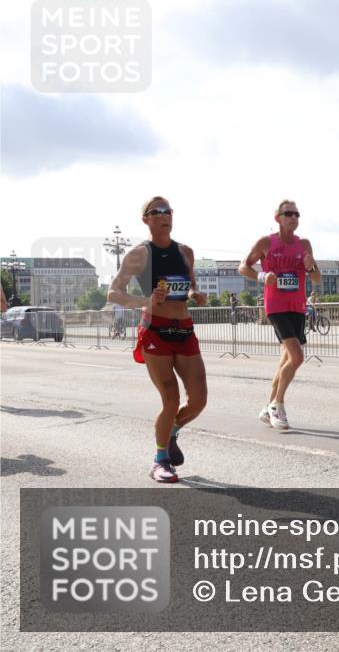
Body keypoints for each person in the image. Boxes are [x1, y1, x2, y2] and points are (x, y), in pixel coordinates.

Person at [108, 196, 208, 483]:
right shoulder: (139, 254)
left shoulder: (186, 252)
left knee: (199, 400)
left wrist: (195, 295)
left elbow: (189, 286)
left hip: (184, 329)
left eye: (168, 210)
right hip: (156, 332)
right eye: (157, 211)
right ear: (146, 219)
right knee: (171, 398)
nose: (165, 215)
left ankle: (171, 431)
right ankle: (160, 460)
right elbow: (113, 293)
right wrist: (146, 300)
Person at [239, 199, 321, 431]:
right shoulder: (266, 242)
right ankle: (278, 404)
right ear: (278, 218)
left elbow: (316, 279)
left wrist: (311, 266)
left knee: (286, 360)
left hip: (297, 306)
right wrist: (262, 277)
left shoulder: (304, 244)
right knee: (297, 357)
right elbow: (243, 266)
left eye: (296, 214)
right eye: (288, 214)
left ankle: (268, 406)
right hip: (276, 306)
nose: (293, 218)